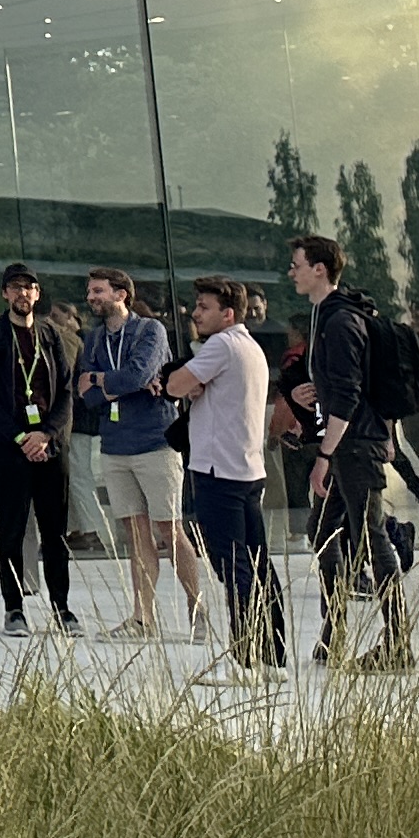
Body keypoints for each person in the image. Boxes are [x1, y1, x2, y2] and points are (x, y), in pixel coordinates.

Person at [289, 236, 408, 670]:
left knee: (371, 540)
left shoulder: (340, 321)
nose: (292, 271)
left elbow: (349, 396)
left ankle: (397, 644)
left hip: (353, 446)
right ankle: (334, 630)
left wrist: (324, 455)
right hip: (352, 442)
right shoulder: (327, 315)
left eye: (297, 264)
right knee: (323, 532)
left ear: (320, 269)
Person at [162, 278, 283, 673]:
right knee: (258, 563)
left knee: (233, 566)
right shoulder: (251, 347)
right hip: (248, 469)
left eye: (203, 306)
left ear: (227, 314)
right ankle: (272, 651)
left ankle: (247, 654)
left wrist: (186, 383)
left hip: (218, 472)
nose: (195, 313)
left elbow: (174, 385)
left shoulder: (221, 345)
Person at [75, 270, 193, 636]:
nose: (91, 297)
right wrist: (112, 384)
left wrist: (100, 380)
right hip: (114, 446)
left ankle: (197, 609)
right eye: (90, 291)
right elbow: (87, 395)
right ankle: (143, 618)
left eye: (98, 291)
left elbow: (137, 375)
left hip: (155, 443)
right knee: (135, 533)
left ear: (121, 294)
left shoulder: (149, 331)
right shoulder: (93, 340)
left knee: (170, 530)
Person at [0, 263, 76, 634]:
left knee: (55, 531)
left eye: (29, 288)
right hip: (8, 446)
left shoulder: (51, 334)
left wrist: (46, 435)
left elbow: (66, 392)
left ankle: (62, 608)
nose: (22, 294)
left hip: (47, 446)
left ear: (37, 294)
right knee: (11, 530)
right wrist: (20, 438)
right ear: (4, 294)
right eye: (15, 288)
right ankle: (14, 609)